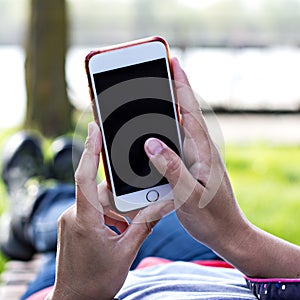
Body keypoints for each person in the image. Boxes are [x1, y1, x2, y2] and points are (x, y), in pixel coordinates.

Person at [1, 57, 300, 300]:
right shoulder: (226, 242)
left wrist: (75, 294)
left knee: (79, 229)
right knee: (116, 208)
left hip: (111, 289)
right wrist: (236, 236)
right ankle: (50, 194)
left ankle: (32, 201)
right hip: (219, 264)